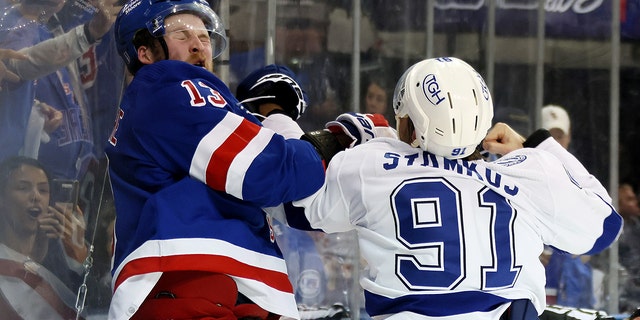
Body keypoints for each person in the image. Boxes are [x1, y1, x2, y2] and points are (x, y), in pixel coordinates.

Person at [289, 57, 622, 319]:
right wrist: (533, 146)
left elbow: (297, 205)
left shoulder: (371, 163)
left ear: (409, 122)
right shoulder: (528, 171)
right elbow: (604, 229)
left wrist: (336, 140)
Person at [105, 1, 354, 318]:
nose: (198, 46)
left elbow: (292, 200)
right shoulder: (169, 86)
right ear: (146, 53)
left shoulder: (167, 104)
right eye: (182, 35)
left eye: (205, 36)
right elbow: (270, 171)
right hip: (188, 281)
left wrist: (279, 125)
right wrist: (329, 142)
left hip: (217, 287)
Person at [0, 156, 84, 319]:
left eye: (43, 190)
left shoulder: (58, 261)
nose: (35, 196)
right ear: (2, 198)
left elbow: (89, 307)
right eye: (23, 188)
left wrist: (78, 256)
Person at [539, 104, 597, 309]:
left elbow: (596, 229)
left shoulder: (581, 177)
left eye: (560, 137)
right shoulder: (521, 171)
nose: (555, 144)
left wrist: (582, 249)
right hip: (537, 285)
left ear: (569, 137)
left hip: (571, 285)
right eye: (549, 137)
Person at [617, 183, 640, 312]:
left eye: (634, 198)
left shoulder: (636, 226)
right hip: (624, 293)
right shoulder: (613, 231)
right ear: (619, 203)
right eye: (629, 199)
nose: (635, 202)